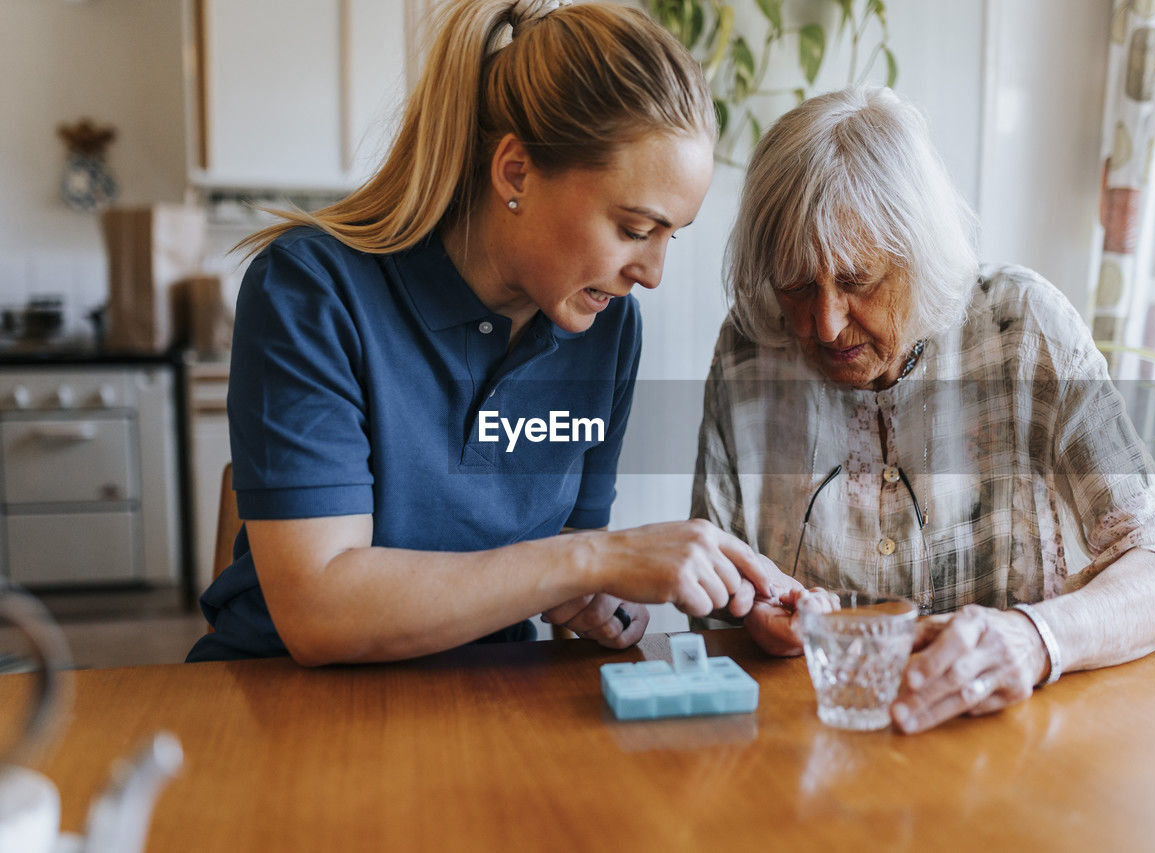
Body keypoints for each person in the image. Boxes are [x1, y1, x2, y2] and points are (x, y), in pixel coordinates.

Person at [187, 0, 791, 665]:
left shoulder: (605, 329)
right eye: (635, 229)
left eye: (671, 236)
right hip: (285, 711)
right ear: (516, 172)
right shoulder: (311, 291)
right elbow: (319, 610)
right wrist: (592, 558)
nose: (650, 272)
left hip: (488, 700)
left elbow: (561, 555)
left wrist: (597, 595)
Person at [692, 86, 1155, 732]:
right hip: (808, 751)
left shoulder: (1021, 327)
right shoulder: (751, 346)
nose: (825, 324)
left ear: (917, 253)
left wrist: (1033, 638)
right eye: (798, 285)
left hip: (1005, 748)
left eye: (857, 280)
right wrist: (753, 612)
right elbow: (712, 596)